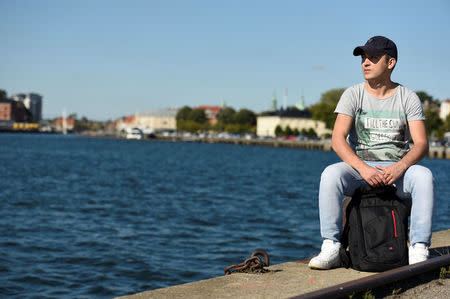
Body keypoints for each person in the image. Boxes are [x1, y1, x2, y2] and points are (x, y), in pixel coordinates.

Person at [308, 36, 434, 270]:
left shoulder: (408, 97)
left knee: (424, 176)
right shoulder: (353, 94)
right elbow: (337, 140)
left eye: (373, 58)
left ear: (390, 63)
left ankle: (418, 248)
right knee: (330, 174)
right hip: (361, 170)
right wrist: (363, 168)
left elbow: (421, 144)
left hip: (397, 172)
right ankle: (331, 245)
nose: (365, 63)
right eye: (364, 58)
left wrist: (398, 168)